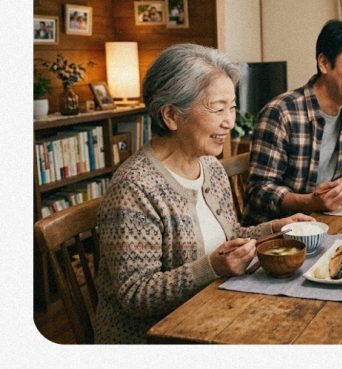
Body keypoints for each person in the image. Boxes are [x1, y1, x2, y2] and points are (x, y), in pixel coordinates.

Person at [95, 44, 313, 343]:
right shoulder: (135, 188)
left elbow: (229, 235)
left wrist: (275, 229)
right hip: (156, 340)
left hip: (213, 313)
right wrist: (211, 268)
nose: (230, 121)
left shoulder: (210, 167)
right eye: (217, 108)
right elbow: (136, 295)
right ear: (171, 115)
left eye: (232, 107)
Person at [242, 17, 342, 225]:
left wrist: (338, 186)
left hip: (326, 222)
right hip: (278, 238)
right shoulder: (281, 113)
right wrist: (310, 201)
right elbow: (259, 190)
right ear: (324, 63)